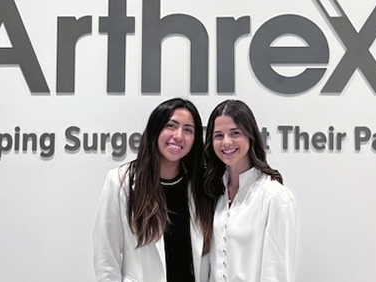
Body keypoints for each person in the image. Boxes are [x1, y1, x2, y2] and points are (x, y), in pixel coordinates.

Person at [93, 98, 209, 282]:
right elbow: (106, 258)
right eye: (171, 126)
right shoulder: (121, 181)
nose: (178, 136)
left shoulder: (200, 186)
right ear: (155, 129)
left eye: (188, 130)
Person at [199, 99, 298, 282]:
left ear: (250, 135)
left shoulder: (274, 197)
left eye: (235, 133)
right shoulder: (213, 194)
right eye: (218, 135)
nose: (226, 142)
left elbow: (276, 274)